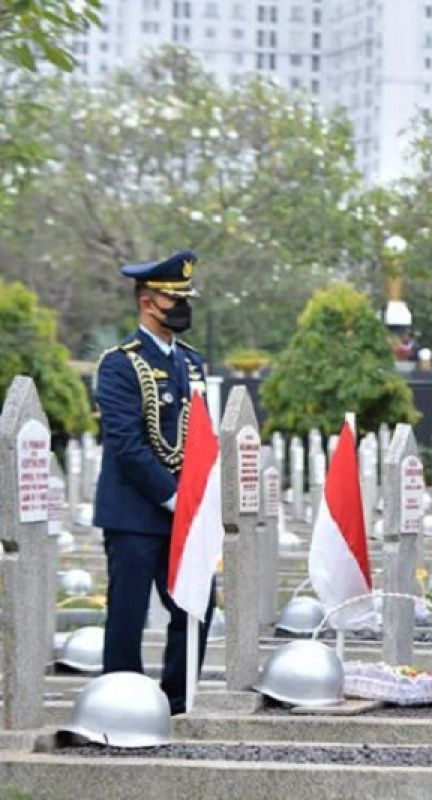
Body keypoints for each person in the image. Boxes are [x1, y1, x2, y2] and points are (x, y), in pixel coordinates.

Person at [93, 250, 215, 715]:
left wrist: (195, 502)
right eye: (174, 299)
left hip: (185, 515)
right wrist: (172, 497)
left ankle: (177, 702)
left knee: (196, 605)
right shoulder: (120, 364)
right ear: (148, 303)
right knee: (127, 612)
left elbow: (197, 438)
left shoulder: (192, 362)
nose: (183, 307)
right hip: (135, 513)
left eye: (186, 298)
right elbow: (127, 444)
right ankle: (121, 703)